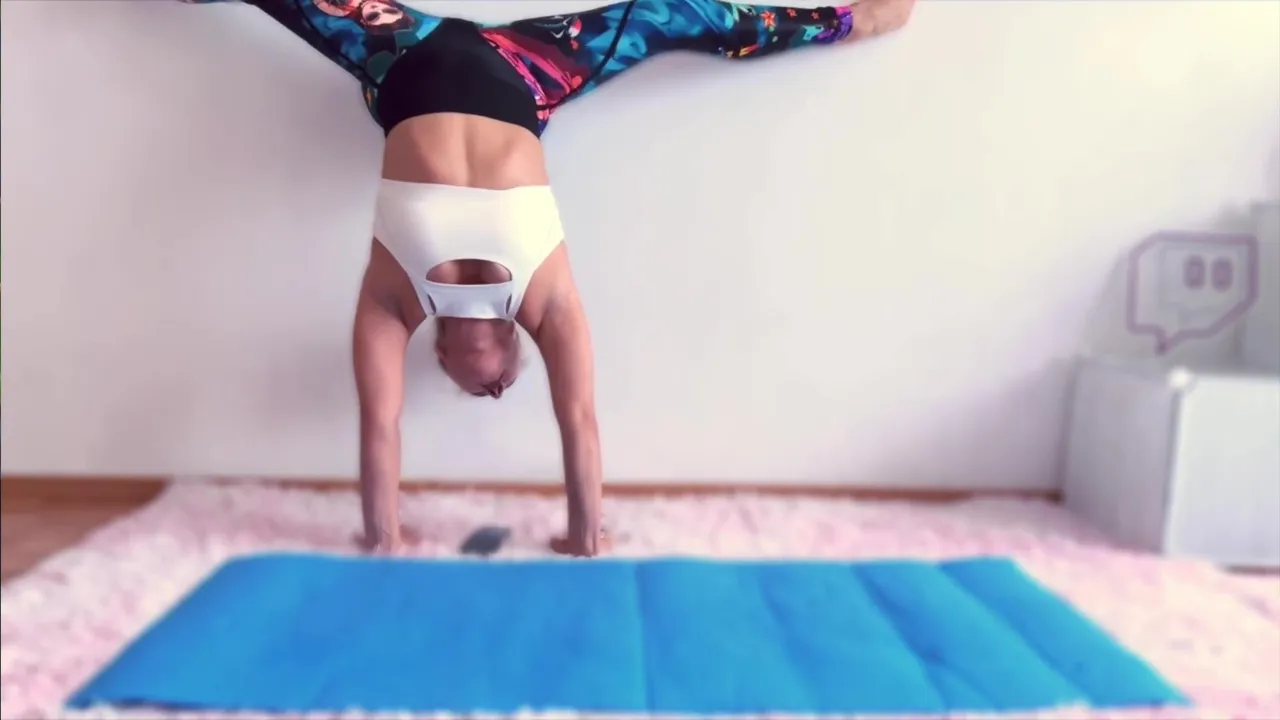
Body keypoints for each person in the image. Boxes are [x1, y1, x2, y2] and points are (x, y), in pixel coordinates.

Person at [180, 0, 916, 557]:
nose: (489, 385)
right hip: (524, 72)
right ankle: (847, 19)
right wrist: (584, 535)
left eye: (481, 390)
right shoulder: (530, 297)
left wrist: (384, 540)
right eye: (498, 389)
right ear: (509, 352)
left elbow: (382, 426)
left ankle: (848, 21)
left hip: (406, 63)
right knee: (663, 13)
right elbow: (578, 420)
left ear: (443, 351)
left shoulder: (404, 300)